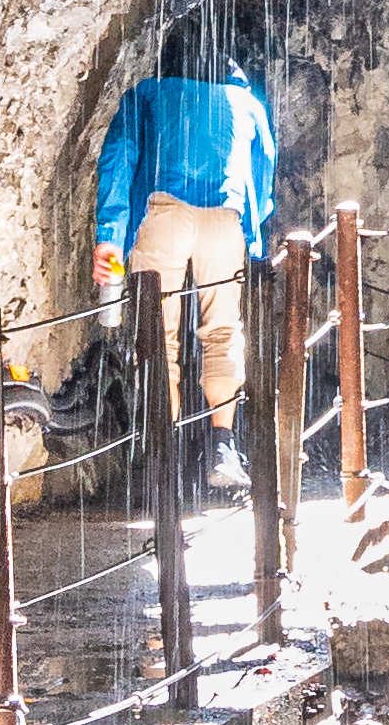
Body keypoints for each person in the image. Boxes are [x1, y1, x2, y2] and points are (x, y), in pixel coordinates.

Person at [90, 52, 283, 501]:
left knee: (159, 335)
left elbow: (118, 159)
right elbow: (265, 170)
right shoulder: (246, 102)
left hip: (165, 211)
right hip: (225, 216)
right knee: (222, 332)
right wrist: (251, 237)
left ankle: (164, 455)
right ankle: (223, 447)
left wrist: (110, 236)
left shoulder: (149, 93)